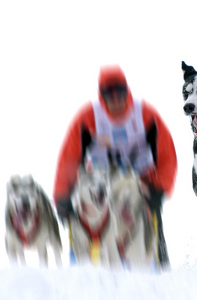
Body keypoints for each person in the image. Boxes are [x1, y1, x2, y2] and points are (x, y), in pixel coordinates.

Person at [53, 64, 177, 269]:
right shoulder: (88, 118)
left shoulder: (145, 115)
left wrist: (160, 187)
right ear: (102, 95)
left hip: (139, 180)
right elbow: (69, 158)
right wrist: (62, 196)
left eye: (119, 92)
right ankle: (83, 270)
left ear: (126, 91)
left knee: (149, 220)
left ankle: (160, 269)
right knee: (85, 217)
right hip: (101, 182)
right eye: (109, 94)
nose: (116, 99)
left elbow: (166, 155)